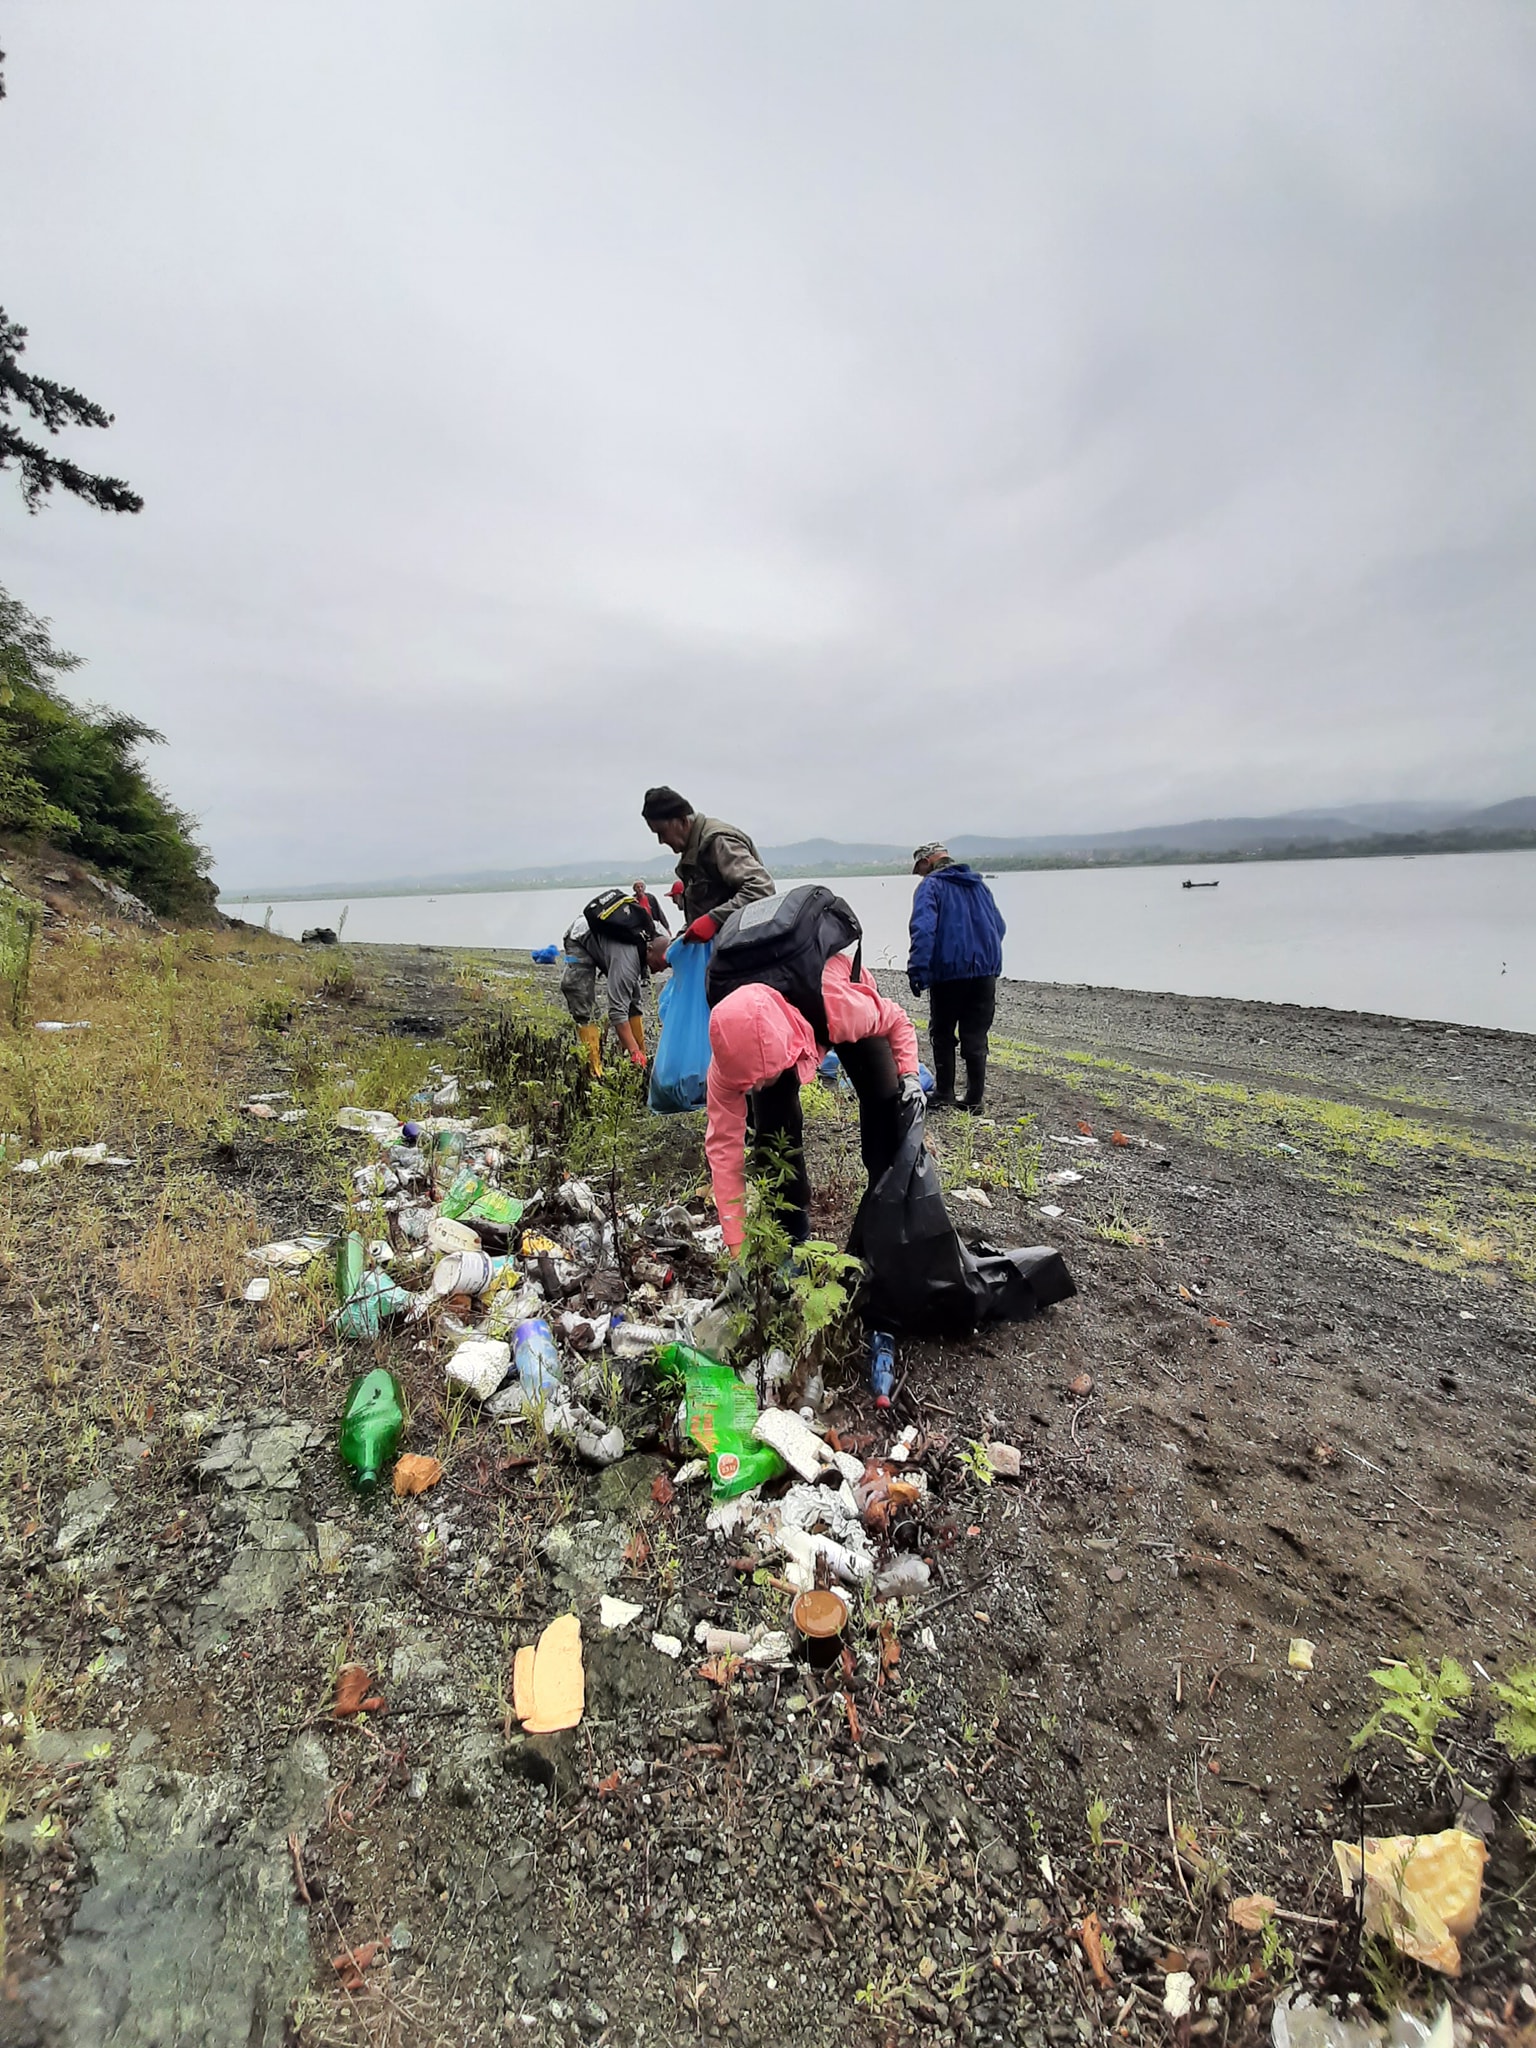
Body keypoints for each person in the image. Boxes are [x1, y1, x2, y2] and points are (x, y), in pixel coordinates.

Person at [706, 952, 923, 1255]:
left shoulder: (841, 1008)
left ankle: (876, 1242)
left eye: (758, 1075)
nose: (752, 1086)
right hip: (768, 1030)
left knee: (887, 1125)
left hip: (839, 993)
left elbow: (897, 1020)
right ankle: (791, 1239)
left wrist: (910, 1076)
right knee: (774, 1139)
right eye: (746, 1079)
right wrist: (737, 1248)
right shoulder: (728, 1056)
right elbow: (724, 1152)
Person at [907, 841, 1006, 1114]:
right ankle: (975, 1099)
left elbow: (923, 930)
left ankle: (945, 1093)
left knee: (942, 1032)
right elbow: (999, 926)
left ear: (927, 862)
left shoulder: (931, 887)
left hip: (949, 972)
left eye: (919, 869)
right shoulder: (979, 886)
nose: (920, 875)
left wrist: (918, 970)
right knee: (976, 1034)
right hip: (985, 970)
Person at [640, 786, 774, 941]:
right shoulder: (693, 851)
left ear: (683, 821)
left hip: (745, 950)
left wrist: (714, 919)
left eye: (662, 832)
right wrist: (684, 937)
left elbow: (761, 888)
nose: (661, 841)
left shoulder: (718, 842)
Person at [560, 888, 668, 1076]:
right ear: (649, 950)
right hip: (580, 937)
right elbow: (617, 1014)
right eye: (658, 964)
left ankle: (640, 1059)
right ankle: (594, 1069)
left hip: (614, 945)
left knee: (633, 998)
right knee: (583, 1001)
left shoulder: (658, 932)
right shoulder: (626, 962)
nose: (660, 970)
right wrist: (634, 1052)